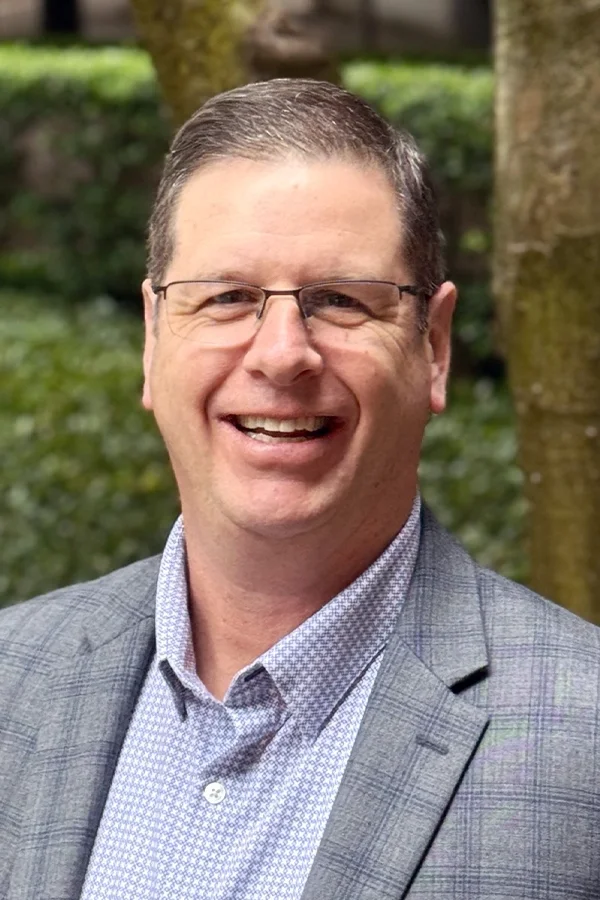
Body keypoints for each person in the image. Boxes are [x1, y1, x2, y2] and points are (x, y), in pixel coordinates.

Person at [1, 78, 599, 900]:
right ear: (152, 338)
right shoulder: (13, 681)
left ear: (433, 347)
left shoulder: (584, 736)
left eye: (340, 302)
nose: (282, 354)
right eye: (228, 298)